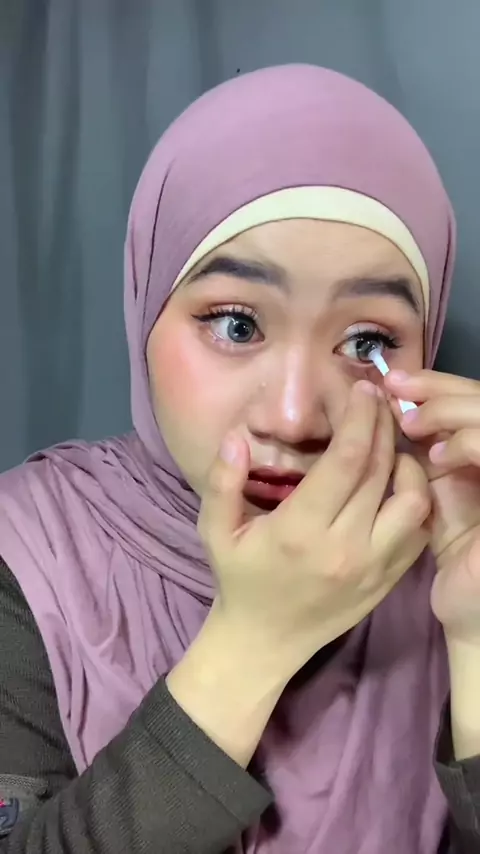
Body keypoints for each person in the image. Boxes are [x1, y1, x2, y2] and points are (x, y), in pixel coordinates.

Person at [0, 63, 480, 854]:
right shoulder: (26, 554)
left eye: (366, 340)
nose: (293, 417)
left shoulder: (445, 554)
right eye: (236, 325)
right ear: (145, 306)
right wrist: (253, 642)